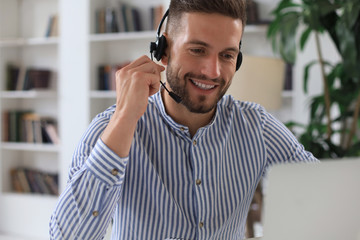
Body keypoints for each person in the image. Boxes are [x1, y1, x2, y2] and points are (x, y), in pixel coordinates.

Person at [50, 0, 318, 239]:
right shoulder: (111, 128)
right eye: (198, 50)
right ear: (164, 50)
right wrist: (125, 118)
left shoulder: (256, 127)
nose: (212, 71)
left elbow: (325, 196)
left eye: (226, 55)